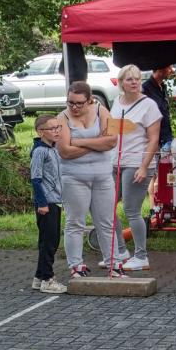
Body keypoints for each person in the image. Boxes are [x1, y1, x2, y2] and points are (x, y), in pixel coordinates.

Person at [58, 81, 122, 277]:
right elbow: (65, 151)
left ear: (90, 101)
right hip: (74, 177)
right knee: (75, 222)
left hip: (103, 176)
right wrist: (97, 144)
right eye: (70, 102)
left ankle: (114, 264)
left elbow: (112, 141)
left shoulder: (102, 111)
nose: (74, 107)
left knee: (106, 222)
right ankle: (76, 266)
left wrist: (79, 142)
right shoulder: (61, 118)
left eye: (79, 103)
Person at [111, 65, 162, 272]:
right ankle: (120, 251)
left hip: (137, 162)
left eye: (137, 79)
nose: (134, 82)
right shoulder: (116, 102)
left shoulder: (149, 105)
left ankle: (141, 256)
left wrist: (143, 167)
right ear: (121, 82)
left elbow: (154, 140)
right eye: (129, 79)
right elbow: (112, 132)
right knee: (106, 207)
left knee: (131, 209)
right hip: (115, 161)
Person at [30, 115, 66, 293]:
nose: (57, 131)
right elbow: (36, 179)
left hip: (55, 201)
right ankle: (47, 279)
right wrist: (42, 203)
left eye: (58, 127)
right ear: (40, 132)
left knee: (51, 239)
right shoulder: (40, 151)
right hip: (47, 203)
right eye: (52, 129)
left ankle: (39, 277)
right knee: (49, 242)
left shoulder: (53, 149)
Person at [141, 64, 175, 150]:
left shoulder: (162, 86)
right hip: (155, 143)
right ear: (160, 68)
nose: (172, 70)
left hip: (167, 138)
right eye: (169, 67)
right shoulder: (144, 89)